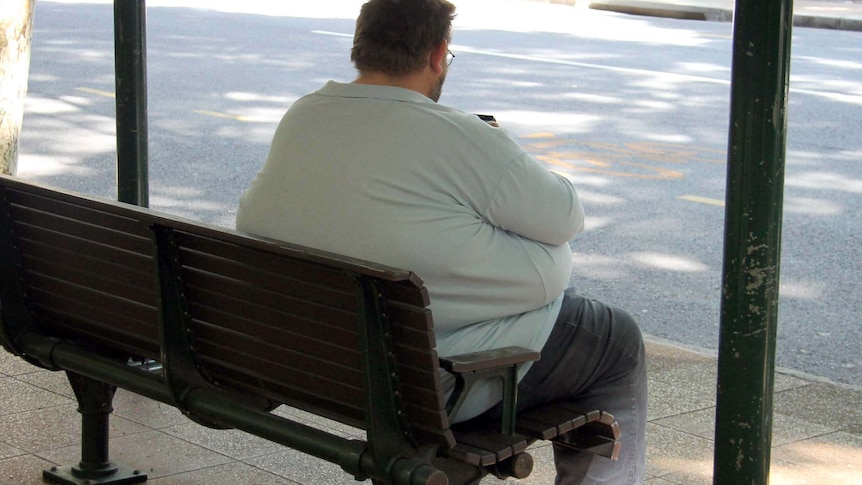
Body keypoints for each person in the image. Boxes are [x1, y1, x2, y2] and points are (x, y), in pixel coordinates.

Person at [236, 0, 646, 483]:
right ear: (437, 54)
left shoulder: (304, 115)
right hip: (426, 386)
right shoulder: (461, 136)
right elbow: (565, 216)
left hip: (317, 363)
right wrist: (499, 148)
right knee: (614, 339)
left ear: (360, 47)